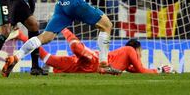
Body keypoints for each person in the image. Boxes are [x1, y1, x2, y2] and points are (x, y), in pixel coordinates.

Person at [15, 28, 173, 74]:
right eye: (140, 51)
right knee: (76, 47)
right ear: (136, 48)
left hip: (86, 69)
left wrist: (158, 70)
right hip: (96, 61)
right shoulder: (130, 50)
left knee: (50, 60)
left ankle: (20, 35)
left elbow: (136, 70)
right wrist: (160, 70)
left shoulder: (127, 60)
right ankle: (63, 28)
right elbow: (141, 70)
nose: (140, 54)